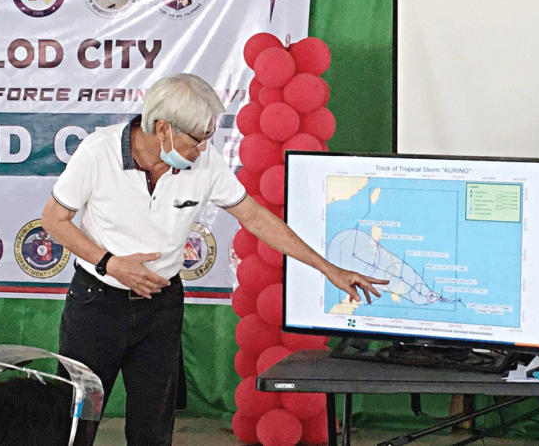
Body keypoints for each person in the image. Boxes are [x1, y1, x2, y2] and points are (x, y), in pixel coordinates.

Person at [40, 73, 388, 446]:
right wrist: (110, 262)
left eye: (209, 137)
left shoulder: (206, 166)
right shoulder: (98, 152)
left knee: (153, 429)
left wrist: (328, 268)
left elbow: (255, 218)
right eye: (198, 139)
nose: (205, 149)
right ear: (164, 129)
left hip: (161, 307)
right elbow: (53, 220)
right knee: (76, 421)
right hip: (97, 303)